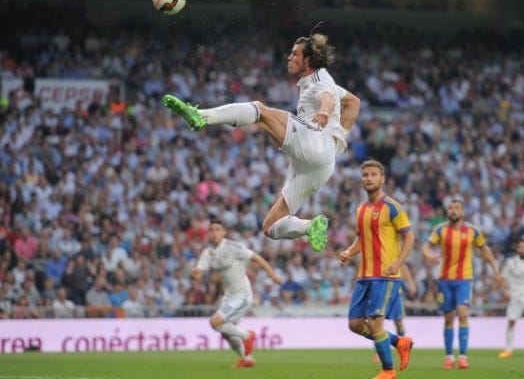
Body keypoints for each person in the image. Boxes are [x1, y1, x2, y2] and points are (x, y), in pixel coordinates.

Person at [163, 27, 361, 252]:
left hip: (314, 144)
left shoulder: (319, 78)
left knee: (259, 110)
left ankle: (202, 117)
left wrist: (325, 112)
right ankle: (310, 226)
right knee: (270, 226)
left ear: (309, 60)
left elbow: (325, 96)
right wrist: (338, 140)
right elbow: (354, 103)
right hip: (321, 165)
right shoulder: (324, 82)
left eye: (295, 54)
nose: (289, 57)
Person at [338, 160, 415, 379]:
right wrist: (348, 253)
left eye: (373, 174)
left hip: (385, 275)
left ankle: (388, 371)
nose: (369, 178)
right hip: (364, 276)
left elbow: (409, 236)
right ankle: (400, 342)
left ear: (382, 179)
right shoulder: (361, 209)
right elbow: (362, 240)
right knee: (354, 324)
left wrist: (399, 262)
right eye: (365, 175)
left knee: (374, 323)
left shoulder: (392, 206)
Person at [421, 198, 502, 369]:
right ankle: (449, 356)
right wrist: (428, 255)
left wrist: (495, 269)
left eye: (456, 208)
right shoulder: (440, 229)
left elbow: (484, 249)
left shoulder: (473, 231)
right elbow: (426, 246)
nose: (453, 210)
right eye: (450, 208)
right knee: (449, 318)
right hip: (445, 280)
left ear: (462, 212)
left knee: (463, 314)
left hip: (464, 279)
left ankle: (463, 356)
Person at [191, 219, 282, 368]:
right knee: (225, 331)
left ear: (223, 232)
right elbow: (199, 274)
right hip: (229, 297)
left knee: (214, 322)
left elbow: (256, 258)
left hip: (242, 295)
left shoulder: (232, 247)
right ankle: (246, 359)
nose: (214, 233)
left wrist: (272, 275)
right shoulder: (208, 253)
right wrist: (194, 274)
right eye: (211, 230)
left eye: (217, 229)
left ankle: (248, 336)